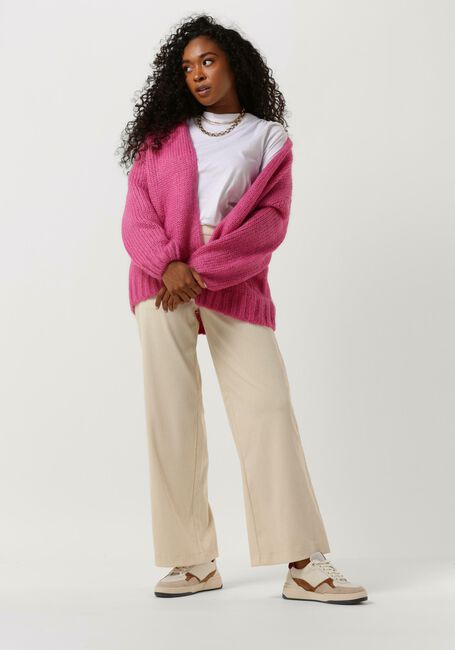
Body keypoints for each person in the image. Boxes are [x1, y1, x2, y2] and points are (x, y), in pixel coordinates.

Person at [117, 14, 368, 604]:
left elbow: (268, 224)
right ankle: (191, 561)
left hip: (227, 277)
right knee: (171, 415)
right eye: (187, 67)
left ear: (234, 63)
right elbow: (137, 214)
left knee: (267, 407)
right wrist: (168, 266)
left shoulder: (267, 137)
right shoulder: (161, 137)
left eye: (208, 61)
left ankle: (303, 563)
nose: (198, 75)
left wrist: (200, 270)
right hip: (160, 283)